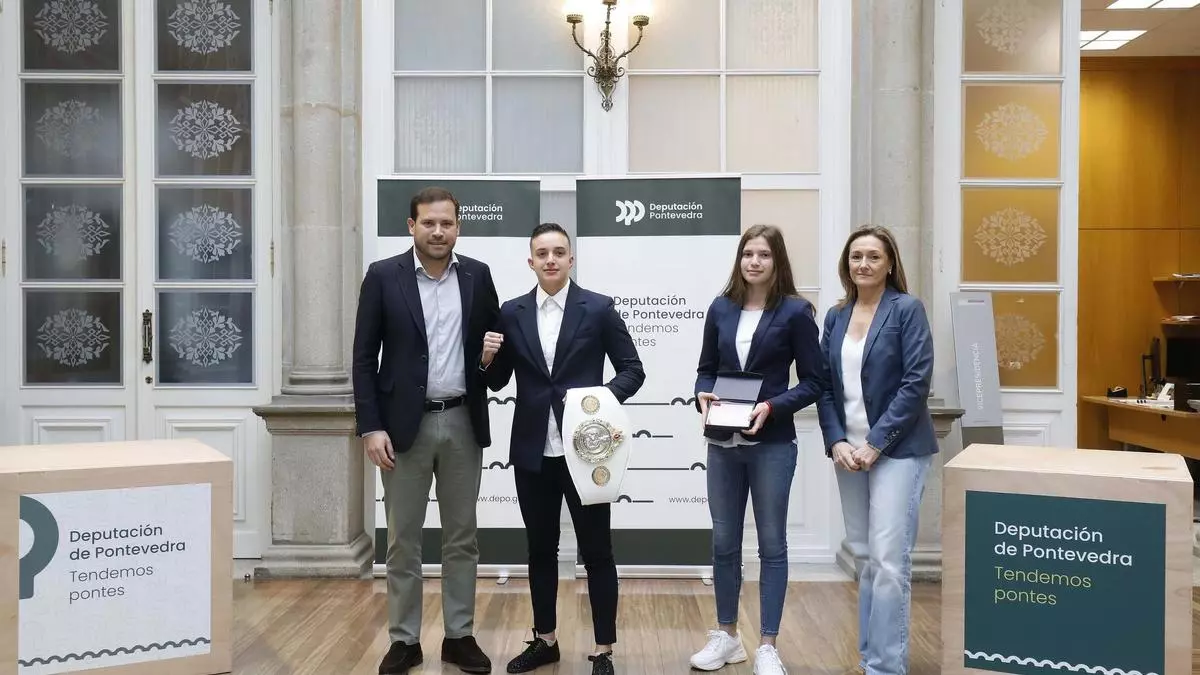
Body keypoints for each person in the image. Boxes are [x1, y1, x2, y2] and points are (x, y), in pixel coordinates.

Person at [480, 223, 645, 675]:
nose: (550, 260)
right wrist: (487, 357)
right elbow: (496, 382)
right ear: (530, 261)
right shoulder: (511, 313)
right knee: (539, 550)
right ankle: (545, 640)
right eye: (541, 253)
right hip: (534, 452)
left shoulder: (599, 308)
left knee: (598, 553)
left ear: (571, 259)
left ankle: (604, 650)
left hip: (588, 454)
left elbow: (633, 370)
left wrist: (597, 404)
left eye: (558, 252)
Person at [351, 186, 499, 675]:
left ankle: (459, 636)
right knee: (402, 540)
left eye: (448, 223)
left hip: (462, 421)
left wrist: (486, 360)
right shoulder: (382, 277)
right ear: (411, 226)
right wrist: (371, 426)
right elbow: (362, 357)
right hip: (400, 429)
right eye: (429, 223)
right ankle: (404, 639)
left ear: (458, 227)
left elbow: (495, 369)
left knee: (462, 537)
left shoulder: (478, 276)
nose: (439, 231)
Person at [688, 224, 826, 675]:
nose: (754, 261)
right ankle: (727, 636)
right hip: (722, 443)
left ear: (777, 260)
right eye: (748, 253)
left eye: (764, 254)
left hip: (771, 444)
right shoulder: (721, 308)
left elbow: (814, 382)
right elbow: (706, 370)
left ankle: (767, 644)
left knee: (772, 545)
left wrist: (771, 405)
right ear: (739, 259)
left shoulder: (795, 312)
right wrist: (702, 394)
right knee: (724, 542)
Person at [816, 225, 938, 675]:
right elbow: (823, 386)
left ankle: (887, 667)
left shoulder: (906, 310)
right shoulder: (836, 315)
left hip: (898, 451)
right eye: (855, 257)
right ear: (846, 264)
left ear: (889, 263)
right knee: (865, 556)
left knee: (888, 562)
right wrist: (837, 442)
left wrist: (874, 444)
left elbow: (915, 384)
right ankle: (869, 658)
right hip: (848, 453)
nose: (863, 264)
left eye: (872, 256)